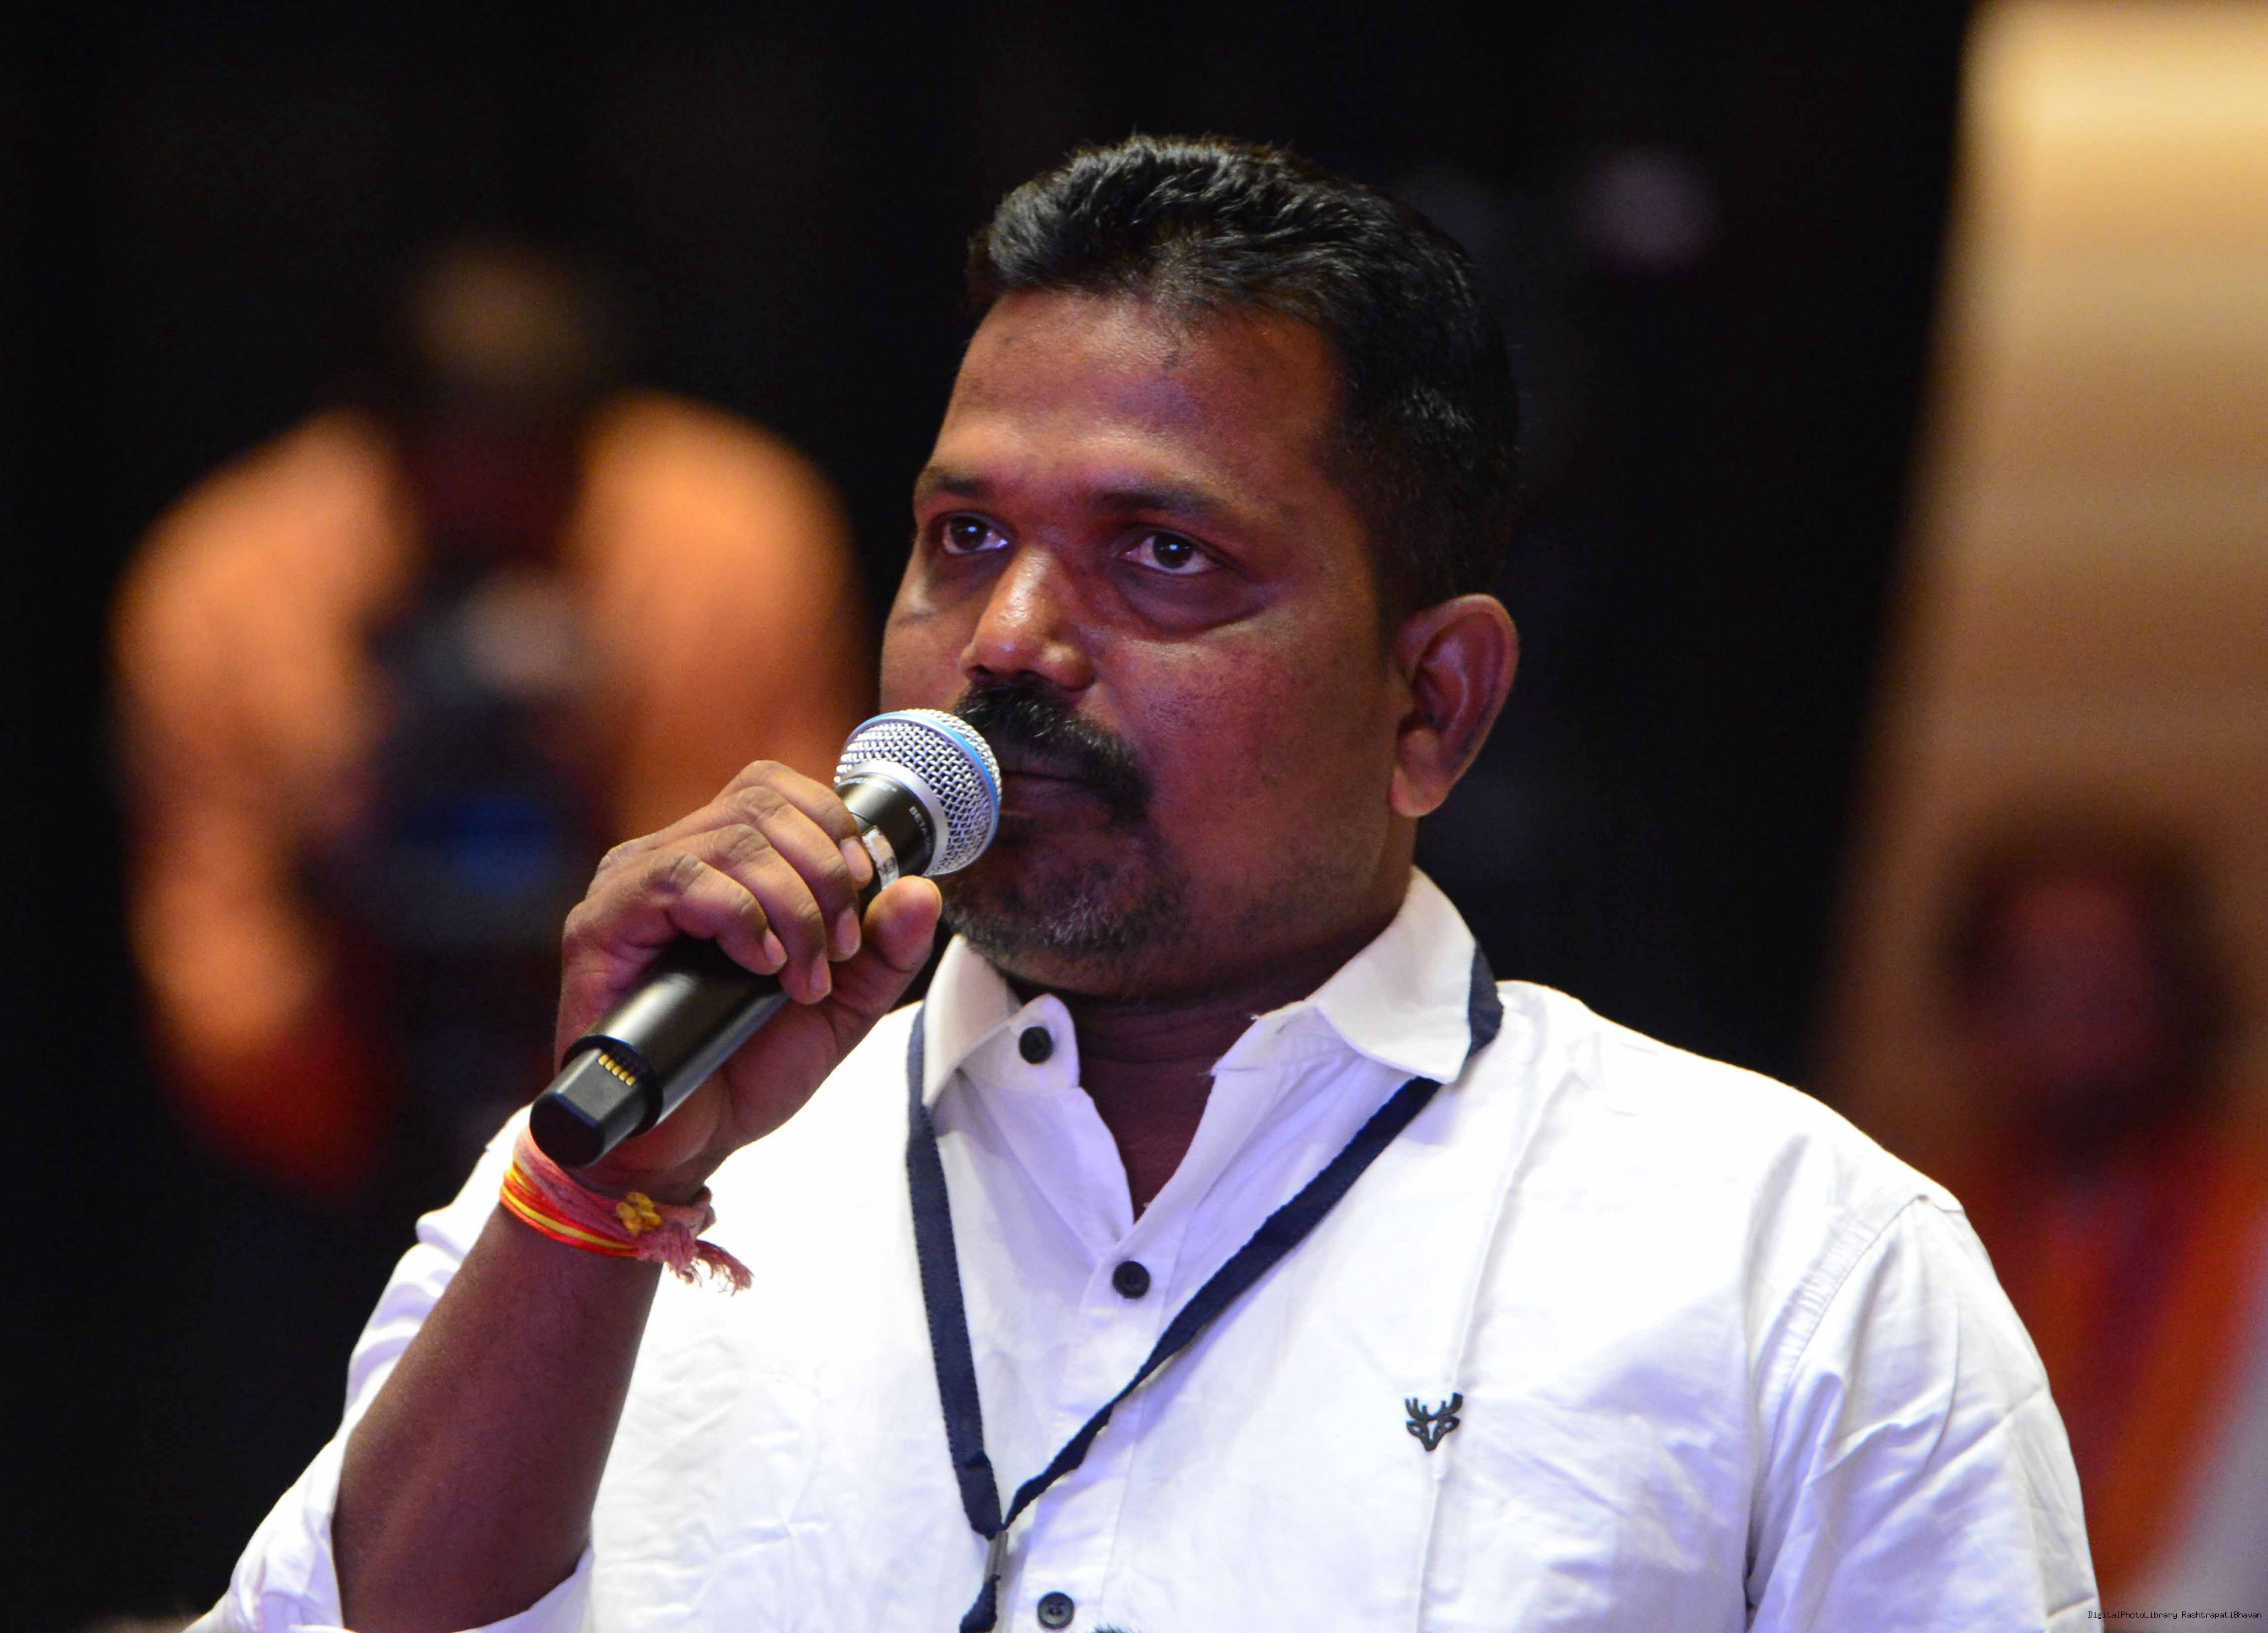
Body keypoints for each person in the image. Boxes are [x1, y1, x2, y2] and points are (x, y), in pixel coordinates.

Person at [198, 139, 2093, 1633]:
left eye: (1162, 554)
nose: (1009, 637)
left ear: (1431, 703)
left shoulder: (1788, 1262)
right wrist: (596, 1196)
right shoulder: (626, 1175)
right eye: (963, 535)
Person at [115, 239, 867, 1202]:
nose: (493, 511)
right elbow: (216, 981)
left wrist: (611, 819)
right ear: (373, 448)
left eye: (536, 488)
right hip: (325, 1141)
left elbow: (800, 905)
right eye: (449, 490)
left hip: (679, 1126)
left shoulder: (734, 540)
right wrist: (340, 868)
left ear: (602, 447)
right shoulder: (225, 582)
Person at [1939, 817, 2267, 1611]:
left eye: (2108, 987)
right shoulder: (1928, 1237)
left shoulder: (2249, 1238)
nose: (2074, 1027)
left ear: (2180, 1002)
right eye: (2037, 985)